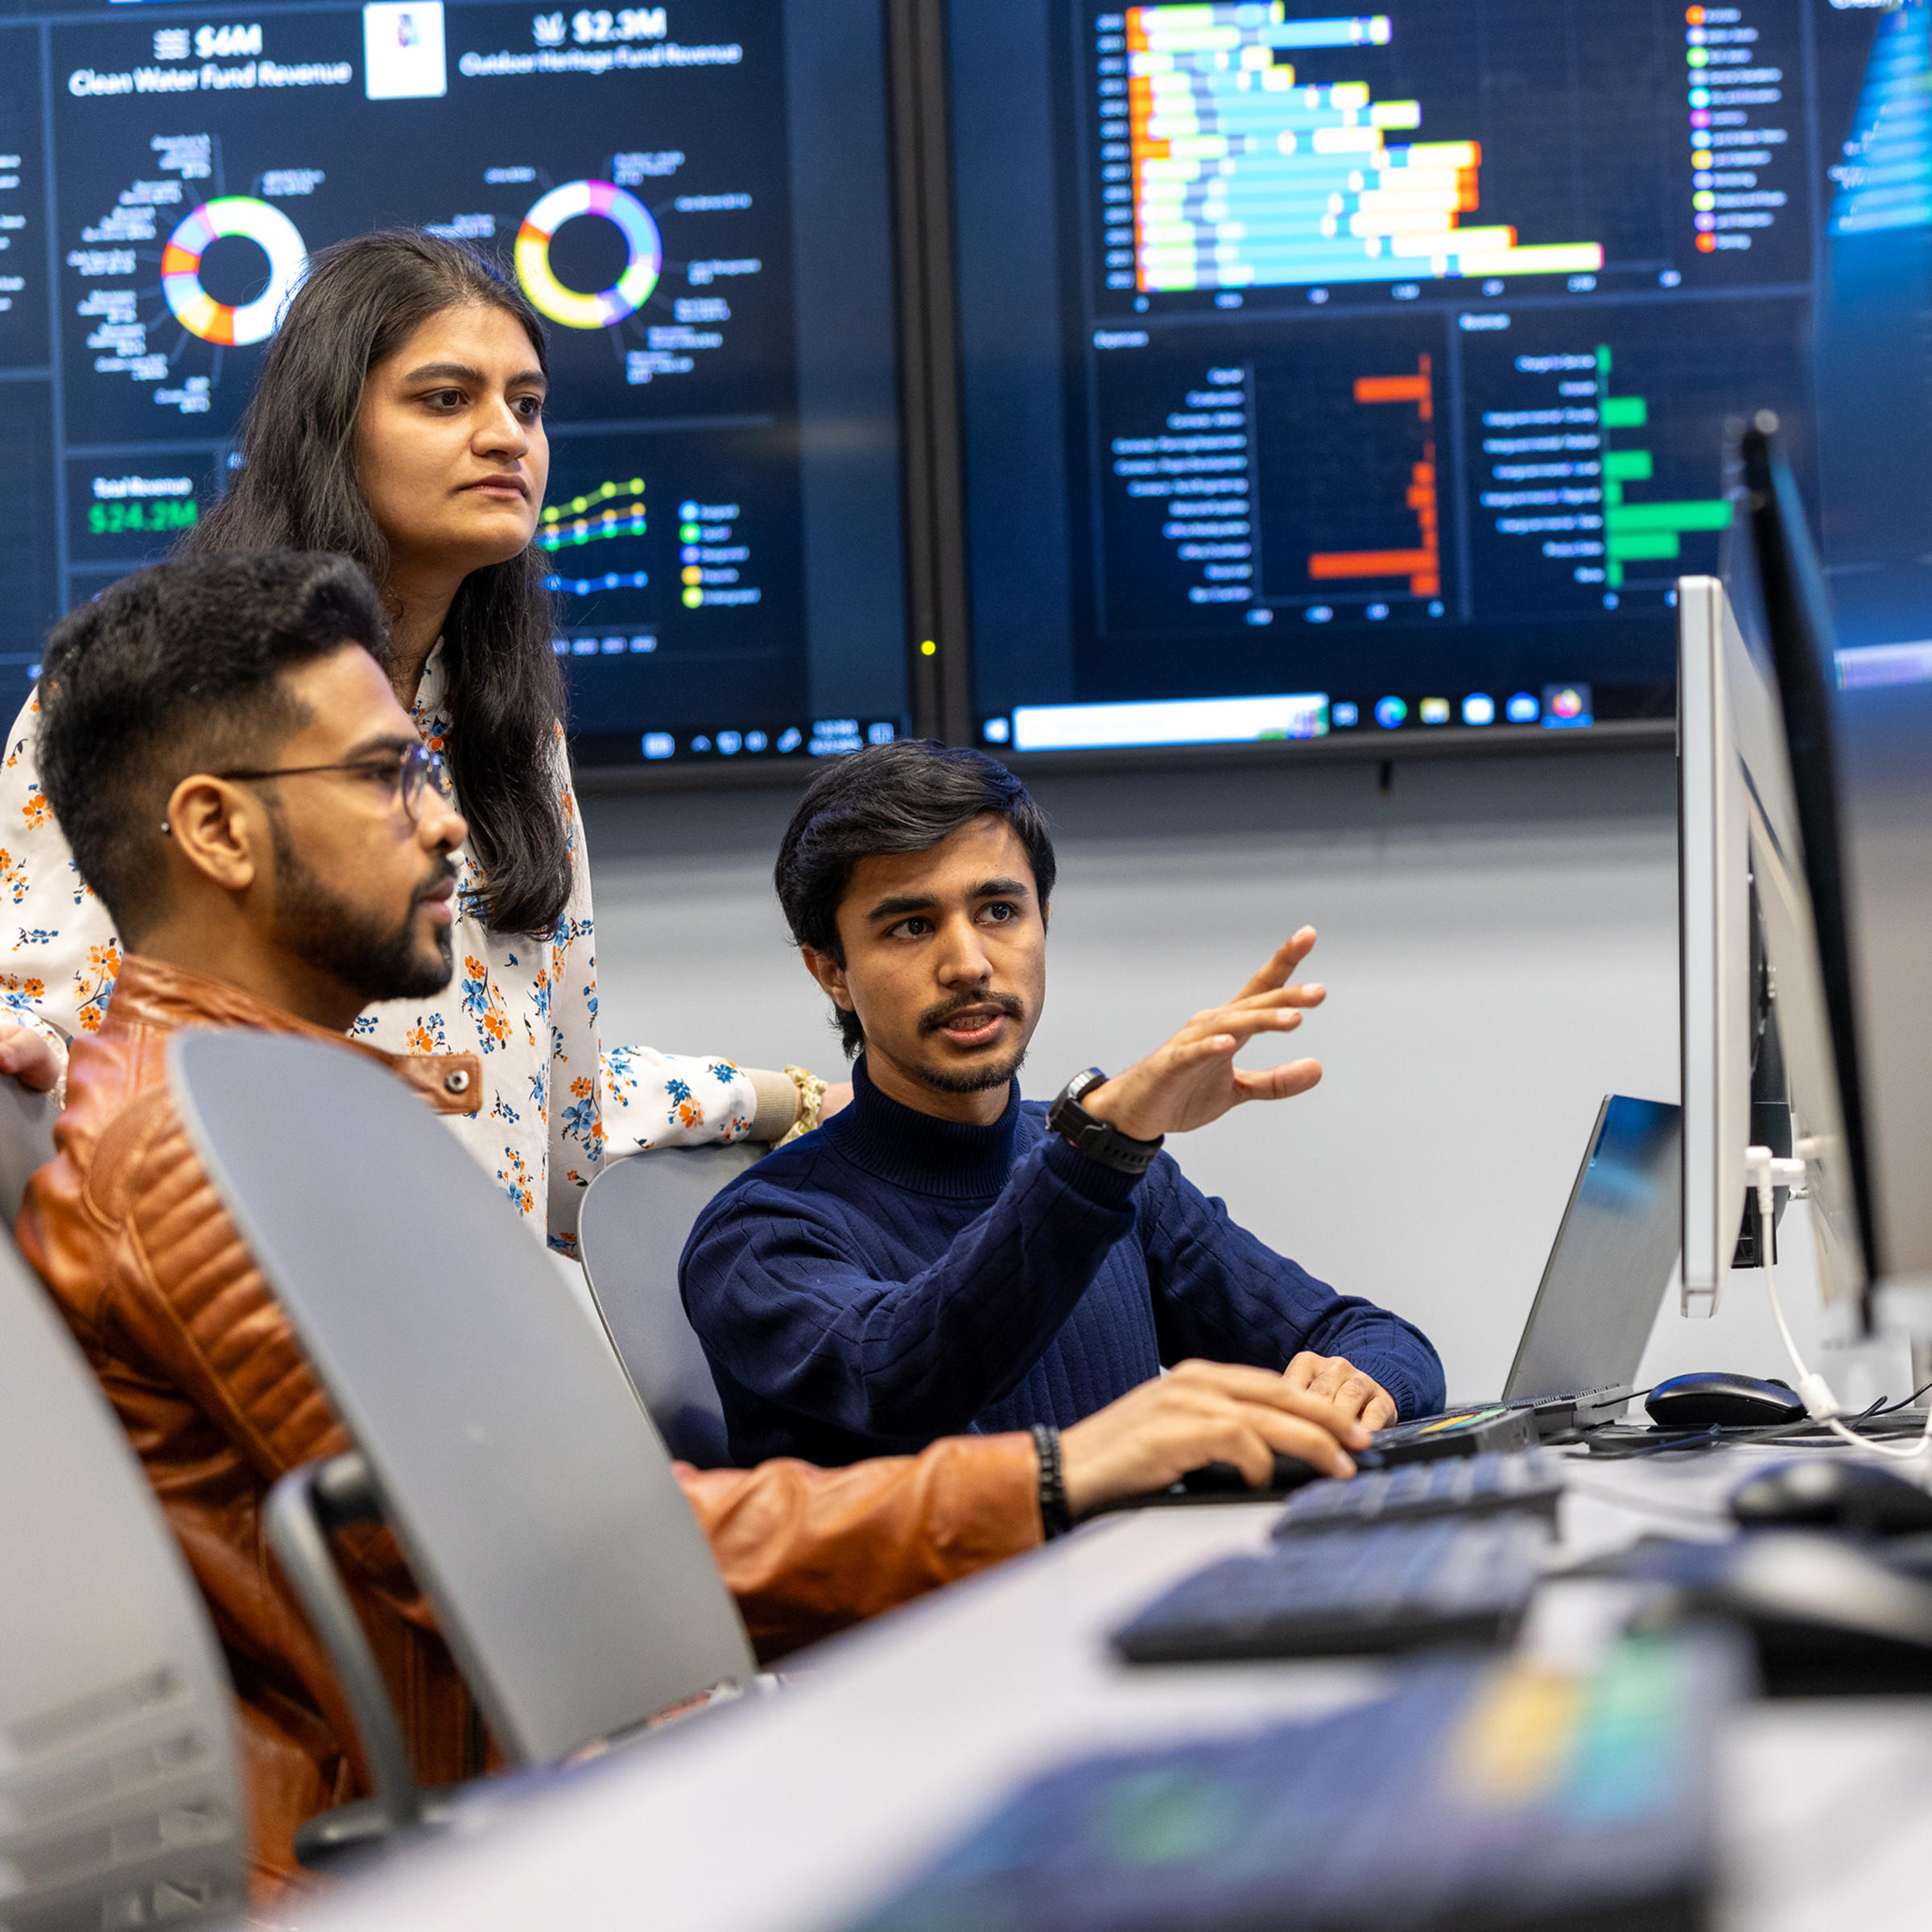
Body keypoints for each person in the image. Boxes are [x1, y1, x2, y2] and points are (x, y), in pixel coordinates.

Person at [17, 552, 1382, 1901]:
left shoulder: (281, 1108)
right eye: (386, 775)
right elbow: (565, 1573)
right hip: (432, 1867)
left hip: (508, 1808)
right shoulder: (197, 1150)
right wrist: (1057, 1473)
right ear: (215, 830)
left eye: (429, 773)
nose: (444, 827)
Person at [0, 230, 836, 1256]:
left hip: (477, 1350)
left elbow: (556, 1125)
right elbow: (46, 1042)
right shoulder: (147, 689)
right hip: (235, 1331)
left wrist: (786, 1099)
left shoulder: (515, 736)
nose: (507, 439)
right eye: (447, 400)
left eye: (527, 406)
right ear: (328, 430)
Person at [682, 741, 1447, 1468]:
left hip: (1154, 1595)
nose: (969, 964)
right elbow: (905, 1378)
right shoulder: (757, 1237)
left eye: (999, 912)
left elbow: (1367, 1335)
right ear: (832, 973)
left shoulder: (1114, 1174)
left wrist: (1365, 1385)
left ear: (1044, 921)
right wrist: (1101, 1150)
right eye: (912, 926)